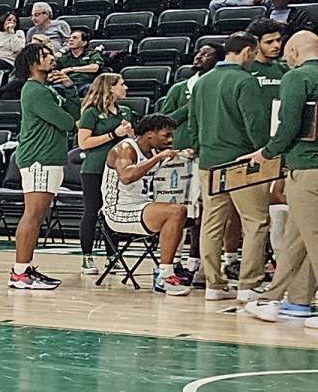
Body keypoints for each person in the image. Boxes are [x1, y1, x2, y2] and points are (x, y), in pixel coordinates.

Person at [192, 33, 274, 306]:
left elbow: (193, 124)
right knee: (255, 222)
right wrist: (265, 151)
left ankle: (214, 285)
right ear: (248, 52)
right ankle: (249, 285)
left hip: (208, 161)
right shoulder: (245, 81)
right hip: (242, 162)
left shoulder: (202, 82)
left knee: (211, 224)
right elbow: (255, 124)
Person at [248, 30, 318, 322]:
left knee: (313, 237)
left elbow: (288, 124)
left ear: (293, 52)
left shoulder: (297, 77)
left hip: (307, 168)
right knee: (296, 237)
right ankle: (287, 299)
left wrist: (267, 152)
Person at [8, 43, 78, 291]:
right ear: (32, 63)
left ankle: (24, 268)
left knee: (37, 216)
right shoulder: (35, 91)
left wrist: (69, 89)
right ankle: (19, 272)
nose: (51, 58)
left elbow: (74, 115)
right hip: (39, 158)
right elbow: (67, 122)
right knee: (33, 215)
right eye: (45, 55)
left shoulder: (47, 89)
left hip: (48, 158)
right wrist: (68, 109)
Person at [102, 115, 195, 295]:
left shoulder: (153, 151)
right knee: (176, 212)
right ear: (150, 134)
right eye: (166, 135)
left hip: (142, 207)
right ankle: (164, 276)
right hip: (119, 211)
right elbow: (126, 177)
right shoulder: (125, 148)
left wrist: (183, 154)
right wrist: (157, 158)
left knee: (195, 217)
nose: (170, 140)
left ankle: (188, 267)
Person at [74, 73, 134, 273]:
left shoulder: (125, 111)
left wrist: (130, 133)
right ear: (110, 88)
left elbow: (131, 140)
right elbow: (84, 143)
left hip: (118, 169)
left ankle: (112, 256)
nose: (125, 88)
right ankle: (87, 257)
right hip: (95, 168)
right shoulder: (91, 113)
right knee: (93, 210)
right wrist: (112, 135)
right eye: (122, 84)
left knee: (112, 210)